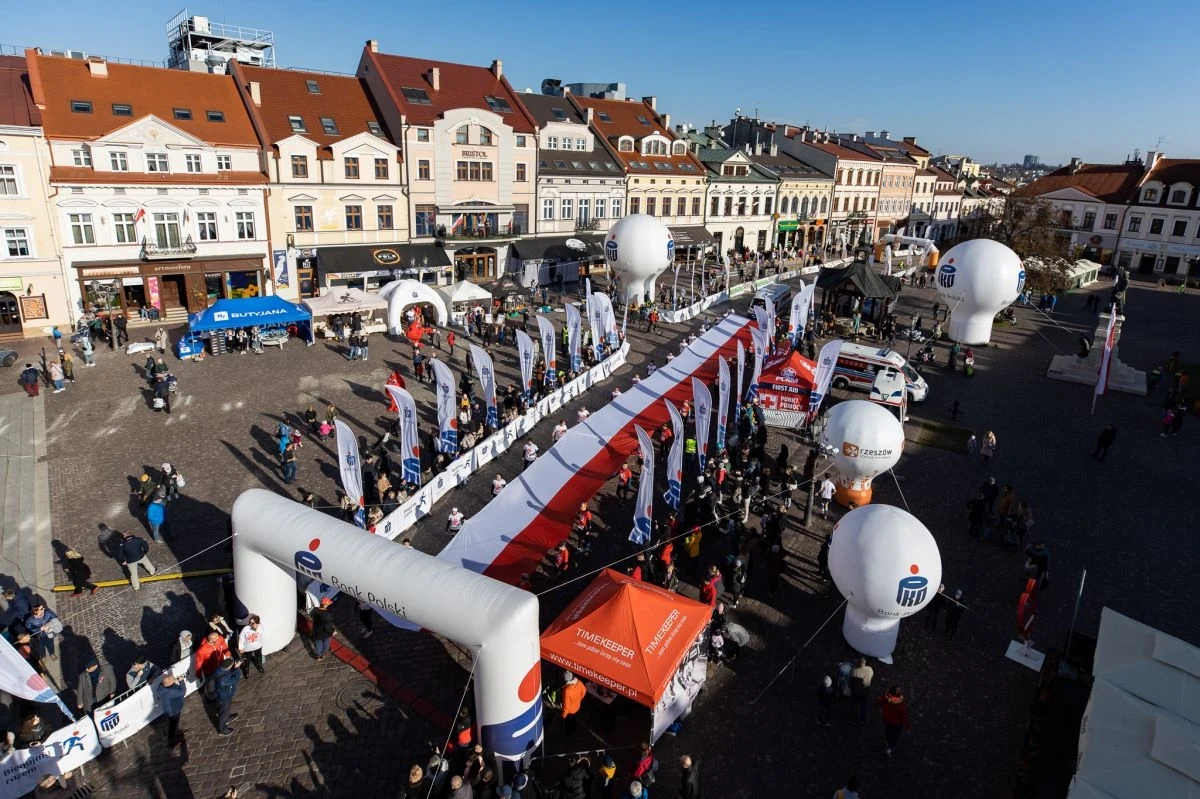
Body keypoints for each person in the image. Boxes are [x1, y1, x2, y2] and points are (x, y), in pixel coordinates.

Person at [212, 657, 243, 735]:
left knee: (226, 709)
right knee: (223, 712)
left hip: (226, 694)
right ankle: (222, 729)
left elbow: (229, 674)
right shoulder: (223, 679)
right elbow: (236, 680)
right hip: (224, 697)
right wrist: (236, 668)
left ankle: (228, 717)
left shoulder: (220, 669)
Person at [155, 671, 187, 746]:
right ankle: (172, 740)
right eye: (173, 680)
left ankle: (175, 732)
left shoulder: (161, 687)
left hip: (168, 710)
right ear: (169, 684)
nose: (174, 680)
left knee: (173, 724)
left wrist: (173, 682)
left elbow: (168, 684)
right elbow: (182, 691)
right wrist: (181, 681)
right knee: (173, 724)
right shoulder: (171, 691)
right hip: (174, 711)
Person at [879, 685, 911, 757]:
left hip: (886, 719)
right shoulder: (900, 705)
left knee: (888, 731)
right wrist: (908, 727)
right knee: (895, 735)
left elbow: (880, 702)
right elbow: (904, 717)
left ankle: (887, 742)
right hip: (896, 724)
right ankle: (890, 748)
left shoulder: (886, 697)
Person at [560, 670, 586, 738]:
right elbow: (584, 691)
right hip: (577, 707)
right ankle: (574, 732)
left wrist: (563, 715)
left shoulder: (567, 690)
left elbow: (566, 705)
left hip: (569, 712)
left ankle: (570, 735)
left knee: (569, 724)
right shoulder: (579, 682)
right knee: (573, 721)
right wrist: (578, 699)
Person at [850, 657, 874, 725]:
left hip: (856, 691)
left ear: (858, 662)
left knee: (855, 705)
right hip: (865, 691)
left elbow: (850, 681)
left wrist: (851, 687)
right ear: (865, 662)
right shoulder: (870, 669)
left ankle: (854, 720)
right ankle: (862, 720)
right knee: (863, 705)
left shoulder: (854, 670)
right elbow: (871, 677)